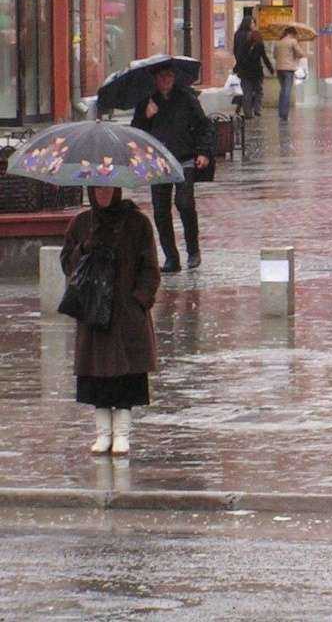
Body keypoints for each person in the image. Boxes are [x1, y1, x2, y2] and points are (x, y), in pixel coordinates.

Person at [62, 186, 160, 456]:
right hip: (94, 313)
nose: (103, 194)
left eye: (107, 188)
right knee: (98, 378)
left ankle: (122, 434)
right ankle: (103, 434)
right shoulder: (82, 223)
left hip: (126, 314)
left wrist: (139, 300)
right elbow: (66, 263)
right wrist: (83, 249)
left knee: (126, 378)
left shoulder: (137, 223)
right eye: (97, 189)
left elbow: (150, 267)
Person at [131, 62, 213, 272]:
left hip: (184, 158)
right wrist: (145, 116)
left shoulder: (186, 98)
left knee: (184, 203)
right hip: (158, 161)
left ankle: (193, 251)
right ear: (155, 80)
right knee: (160, 211)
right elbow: (136, 134)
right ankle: (171, 257)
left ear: (174, 77)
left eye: (169, 76)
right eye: (161, 76)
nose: (166, 80)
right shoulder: (147, 102)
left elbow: (204, 126)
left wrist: (203, 152)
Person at [232, 19, 273, 119]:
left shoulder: (242, 43)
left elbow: (238, 55)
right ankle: (257, 110)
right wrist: (270, 68)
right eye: (252, 23)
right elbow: (264, 57)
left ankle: (248, 113)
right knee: (258, 91)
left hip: (245, 71)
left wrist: (237, 67)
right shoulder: (259, 45)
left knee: (247, 92)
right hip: (256, 71)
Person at [273, 26, 306, 121]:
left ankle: (281, 113)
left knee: (283, 90)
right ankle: (284, 114)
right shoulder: (293, 41)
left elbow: (275, 55)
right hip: (288, 69)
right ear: (292, 33)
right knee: (287, 91)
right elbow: (301, 54)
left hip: (279, 69)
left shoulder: (278, 42)